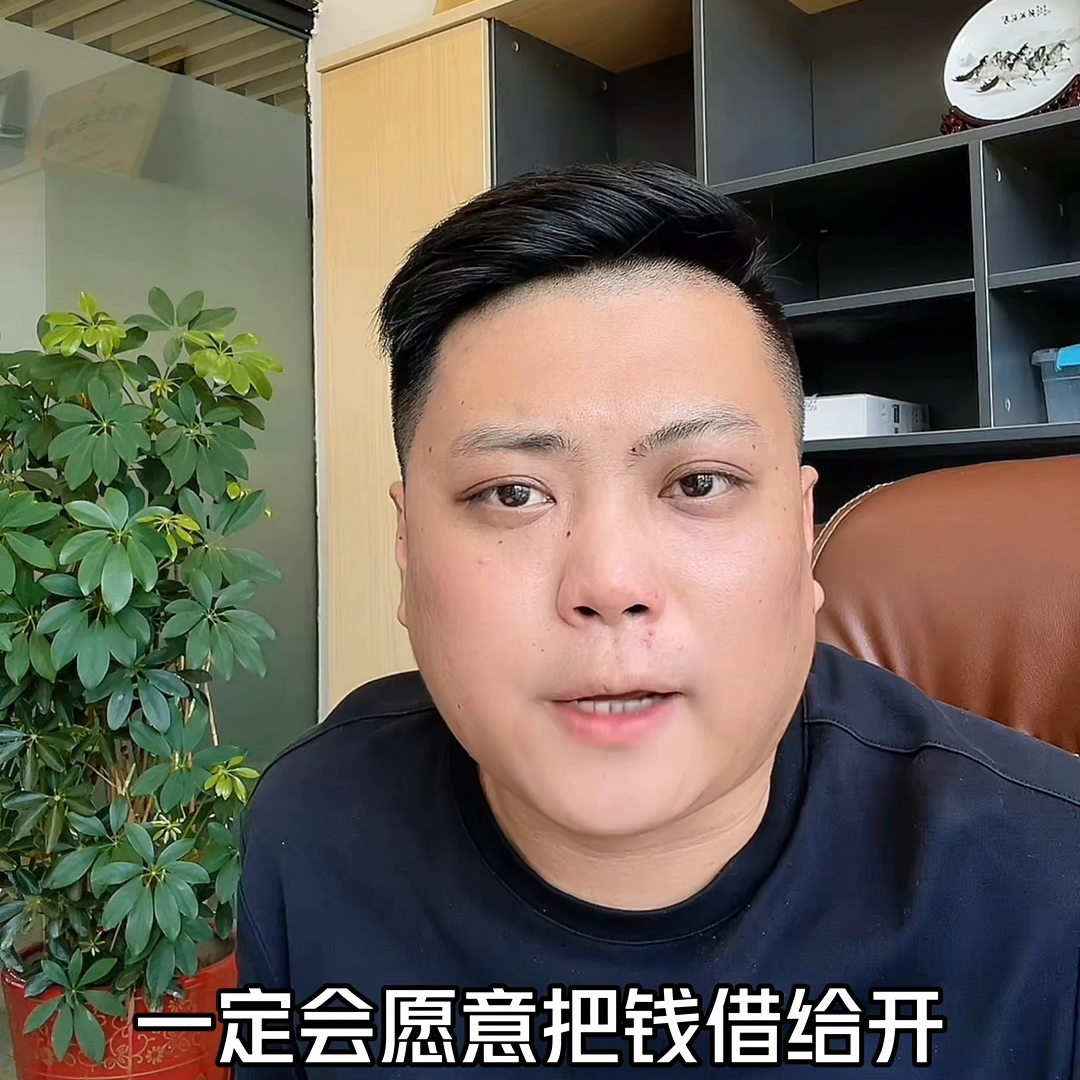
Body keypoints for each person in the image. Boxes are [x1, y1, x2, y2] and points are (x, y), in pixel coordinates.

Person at [235, 163, 1080, 1077]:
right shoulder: (313, 826)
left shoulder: (1049, 889)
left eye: (700, 482)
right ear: (406, 549)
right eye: (512, 493)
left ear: (802, 531)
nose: (610, 583)